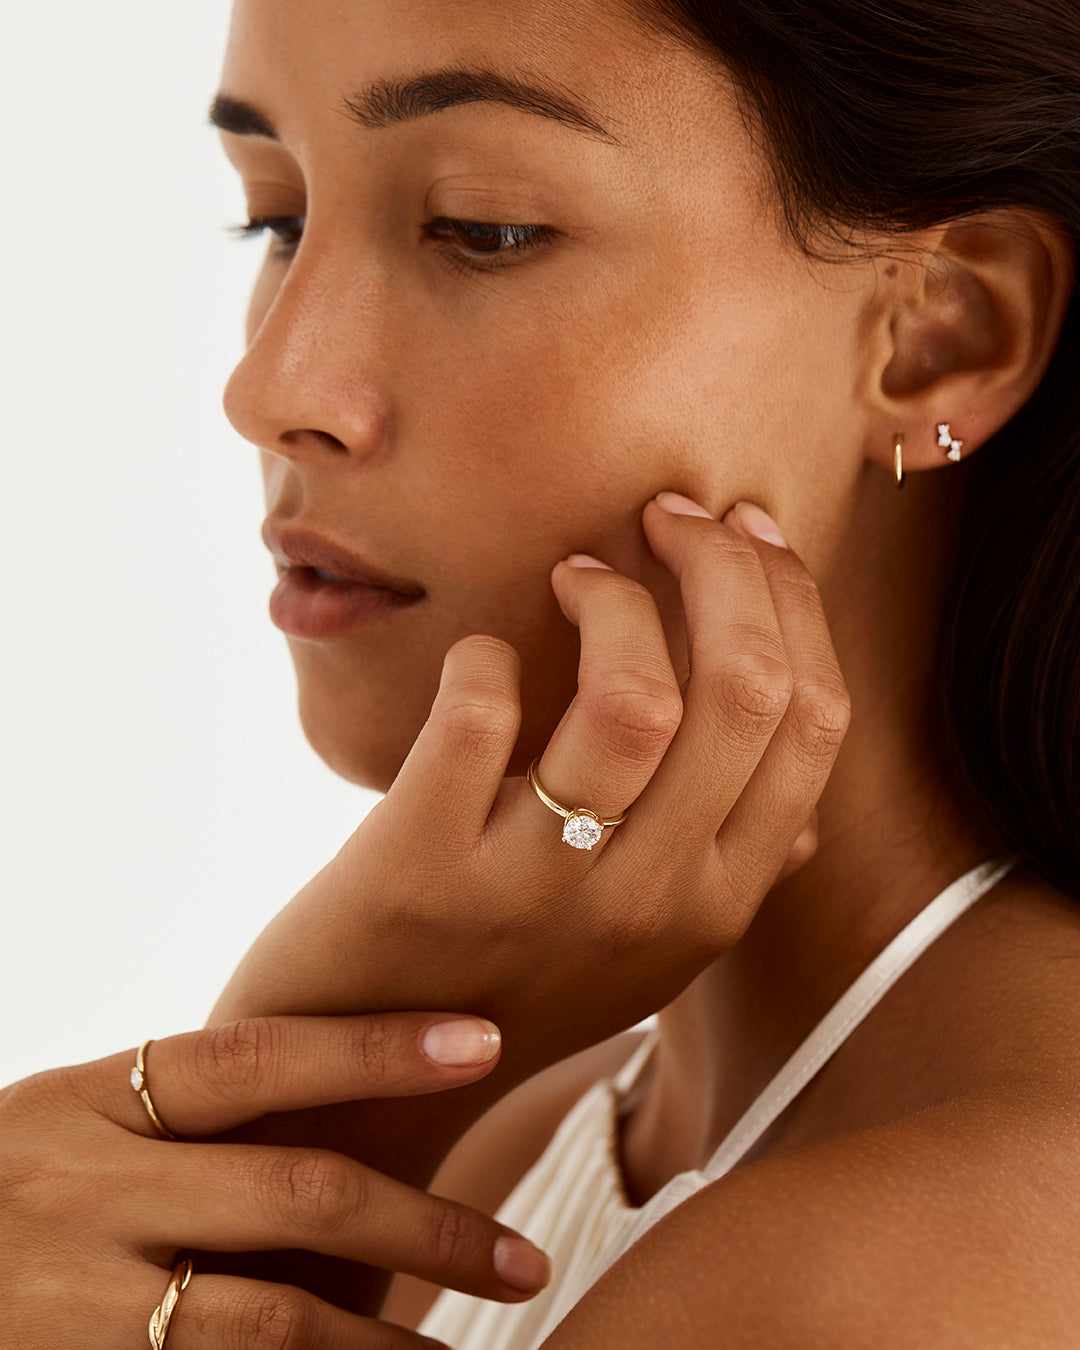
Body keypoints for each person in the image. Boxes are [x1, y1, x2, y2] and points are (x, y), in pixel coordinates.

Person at [3, 0, 1078, 1345]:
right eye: (276, 218)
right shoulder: (504, 1157)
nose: (271, 386)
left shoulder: (882, 1279)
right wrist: (314, 1103)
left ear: (940, 334)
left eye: (483, 229)